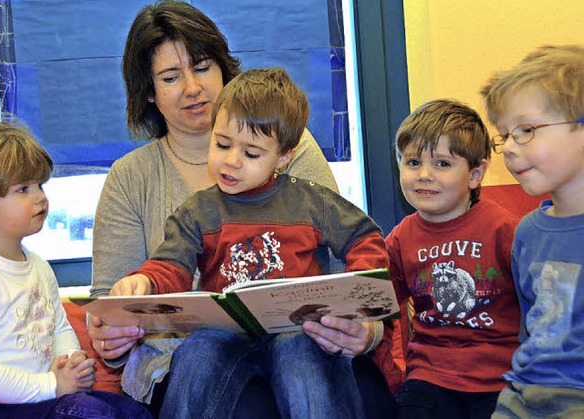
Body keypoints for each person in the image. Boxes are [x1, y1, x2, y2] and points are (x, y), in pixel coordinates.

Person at [88, 1, 400, 416]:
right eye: (169, 77)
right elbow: (162, 269)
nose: (192, 88)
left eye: (201, 67)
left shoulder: (295, 159)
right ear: (149, 91)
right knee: (214, 366)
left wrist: (366, 321)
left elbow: (361, 244)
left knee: (309, 363)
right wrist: (130, 299)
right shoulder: (161, 192)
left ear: (282, 156)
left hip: (301, 332)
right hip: (198, 350)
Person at [0, 118, 152, 418]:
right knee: (87, 413)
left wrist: (71, 363)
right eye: (23, 189)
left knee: (132, 412)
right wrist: (52, 386)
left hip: (36, 399)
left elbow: (58, 327)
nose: (40, 196)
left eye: (39, 185)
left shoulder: (38, 266)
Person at [385, 99, 521, 418]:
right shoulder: (401, 238)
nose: (425, 175)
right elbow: (377, 302)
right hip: (430, 375)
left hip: (500, 376)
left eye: (443, 164)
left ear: (475, 174)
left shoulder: (505, 230)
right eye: (413, 162)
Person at [480, 44, 584, 418]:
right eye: (504, 134)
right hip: (523, 393)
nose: (507, 148)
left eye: (526, 130)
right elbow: (531, 328)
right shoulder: (528, 232)